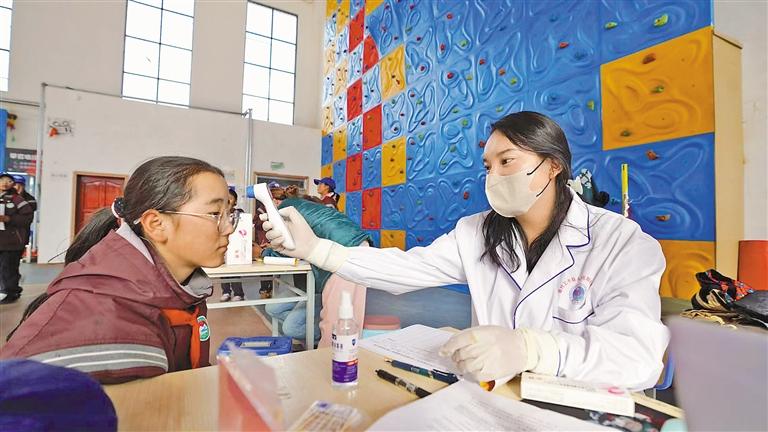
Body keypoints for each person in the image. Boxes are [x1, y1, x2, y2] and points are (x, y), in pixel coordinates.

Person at [261, 112, 669, 390]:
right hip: (494, 398)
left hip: (576, 411)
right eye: (488, 166)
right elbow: (407, 268)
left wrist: (531, 348)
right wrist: (318, 249)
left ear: (553, 166)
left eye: (507, 161)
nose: (494, 176)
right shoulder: (476, 232)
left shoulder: (621, 242)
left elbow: (639, 358)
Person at [1, 156, 238, 384]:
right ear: (156, 224)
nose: (229, 228)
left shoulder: (181, 289)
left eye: (230, 213)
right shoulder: (99, 317)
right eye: (215, 214)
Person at [262, 185, 369, 348]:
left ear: (276, 201)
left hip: (345, 251)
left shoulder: (286, 209)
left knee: (336, 324)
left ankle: (331, 353)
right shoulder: (303, 206)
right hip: (349, 247)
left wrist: (265, 252)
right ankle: (329, 344)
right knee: (339, 319)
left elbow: (289, 246)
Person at [0, 173, 34, 304]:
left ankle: (11, 292)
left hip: (12, 241)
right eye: (2, 180)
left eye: (8, 181)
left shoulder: (17, 199)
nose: (5, 183)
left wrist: (9, 219)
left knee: (8, 268)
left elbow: (28, 217)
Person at [220, 188, 245, 302]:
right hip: (223, 244)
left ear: (235, 201)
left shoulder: (239, 213)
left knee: (234, 270)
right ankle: (226, 292)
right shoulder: (220, 213)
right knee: (223, 269)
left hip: (235, 245)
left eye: (230, 199)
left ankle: (238, 293)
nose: (228, 201)